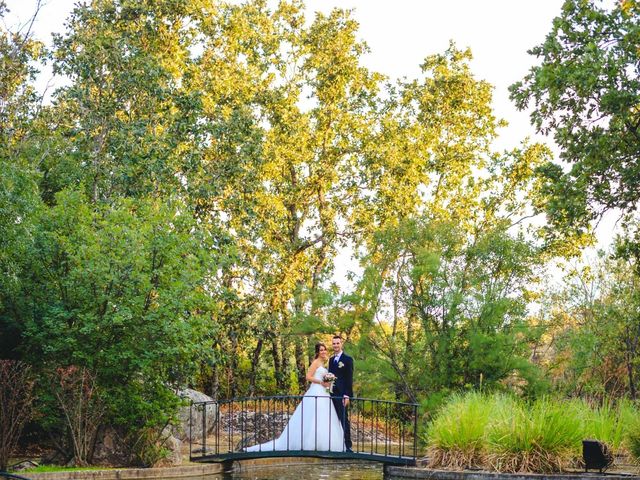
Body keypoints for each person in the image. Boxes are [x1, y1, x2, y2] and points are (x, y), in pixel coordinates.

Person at [245, 342, 345, 452]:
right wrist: (321, 382)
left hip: (324, 393)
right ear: (317, 352)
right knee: (313, 417)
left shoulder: (324, 363)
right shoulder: (315, 363)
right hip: (316, 391)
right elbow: (308, 377)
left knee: (323, 417)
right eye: (321, 350)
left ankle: (324, 444)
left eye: (324, 349)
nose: (323, 352)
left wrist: (328, 382)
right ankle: (310, 444)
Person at [328, 335, 353, 452]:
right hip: (331, 394)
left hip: (342, 394)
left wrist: (347, 395)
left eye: (337, 343)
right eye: (334, 343)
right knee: (332, 418)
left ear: (341, 344)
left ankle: (348, 445)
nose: (335, 345)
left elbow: (349, 378)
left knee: (344, 419)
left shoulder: (348, 360)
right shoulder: (331, 360)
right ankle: (336, 444)